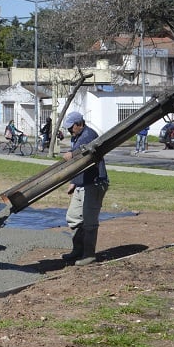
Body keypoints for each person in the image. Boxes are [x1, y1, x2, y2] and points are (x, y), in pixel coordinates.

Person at [60, 111, 109, 266]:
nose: (69, 131)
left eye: (71, 127)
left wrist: (71, 154)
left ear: (80, 124)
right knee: (73, 217)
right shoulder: (77, 136)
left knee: (89, 220)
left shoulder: (88, 135)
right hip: (82, 183)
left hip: (94, 184)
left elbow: (83, 154)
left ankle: (89, 254)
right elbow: (80, 165)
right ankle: (78, 250)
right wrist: (74, 181)